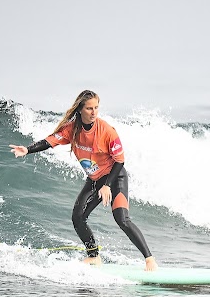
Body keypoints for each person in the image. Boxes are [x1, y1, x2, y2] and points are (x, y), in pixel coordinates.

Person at [9, 90, 158, 271]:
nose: (94, 112)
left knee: (122, 219)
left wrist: (107, 185)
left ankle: (149, 259)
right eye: (89, 108)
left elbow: (119, 161)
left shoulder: (107, 131)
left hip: (115, 177)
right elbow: (50, 141)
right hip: (94, 179)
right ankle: (94, 256)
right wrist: (27, 149)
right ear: (80, 109)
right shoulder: (72, 129)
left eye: (96, 107)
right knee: (78, 217)